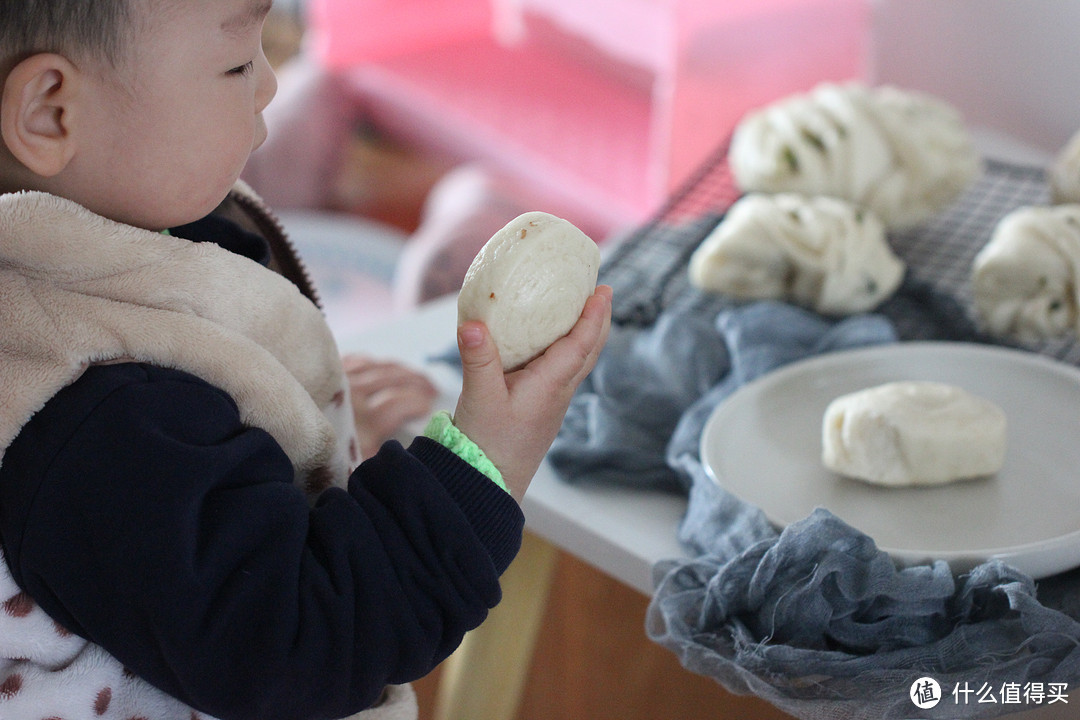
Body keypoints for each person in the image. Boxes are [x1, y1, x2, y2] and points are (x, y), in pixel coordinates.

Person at [0, 1, 611, 719]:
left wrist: (284, 413)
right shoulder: (102, 419)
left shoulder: (92, 304)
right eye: (235, 63)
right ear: (50, 114)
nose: (269, 83)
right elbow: (305, 646)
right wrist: (484, 461)